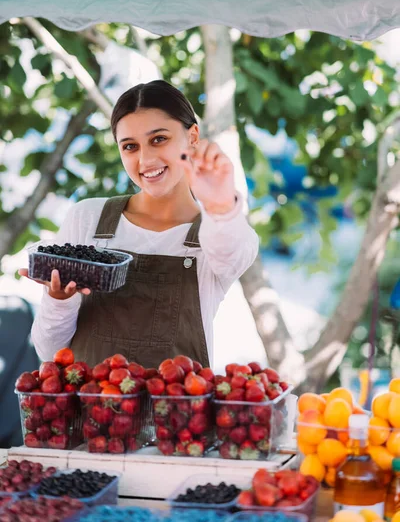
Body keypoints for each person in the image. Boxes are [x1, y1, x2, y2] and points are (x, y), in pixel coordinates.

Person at [22, 80, 259, 368]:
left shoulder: (217, 232)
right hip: (93, 410)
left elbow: (235, 251)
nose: (145, 159)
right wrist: (58, 299)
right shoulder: (87, 218)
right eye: (130, 146)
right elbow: (49, 352)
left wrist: (220, 206)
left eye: (159, 139)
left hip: (176, 412)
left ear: (192, 136)